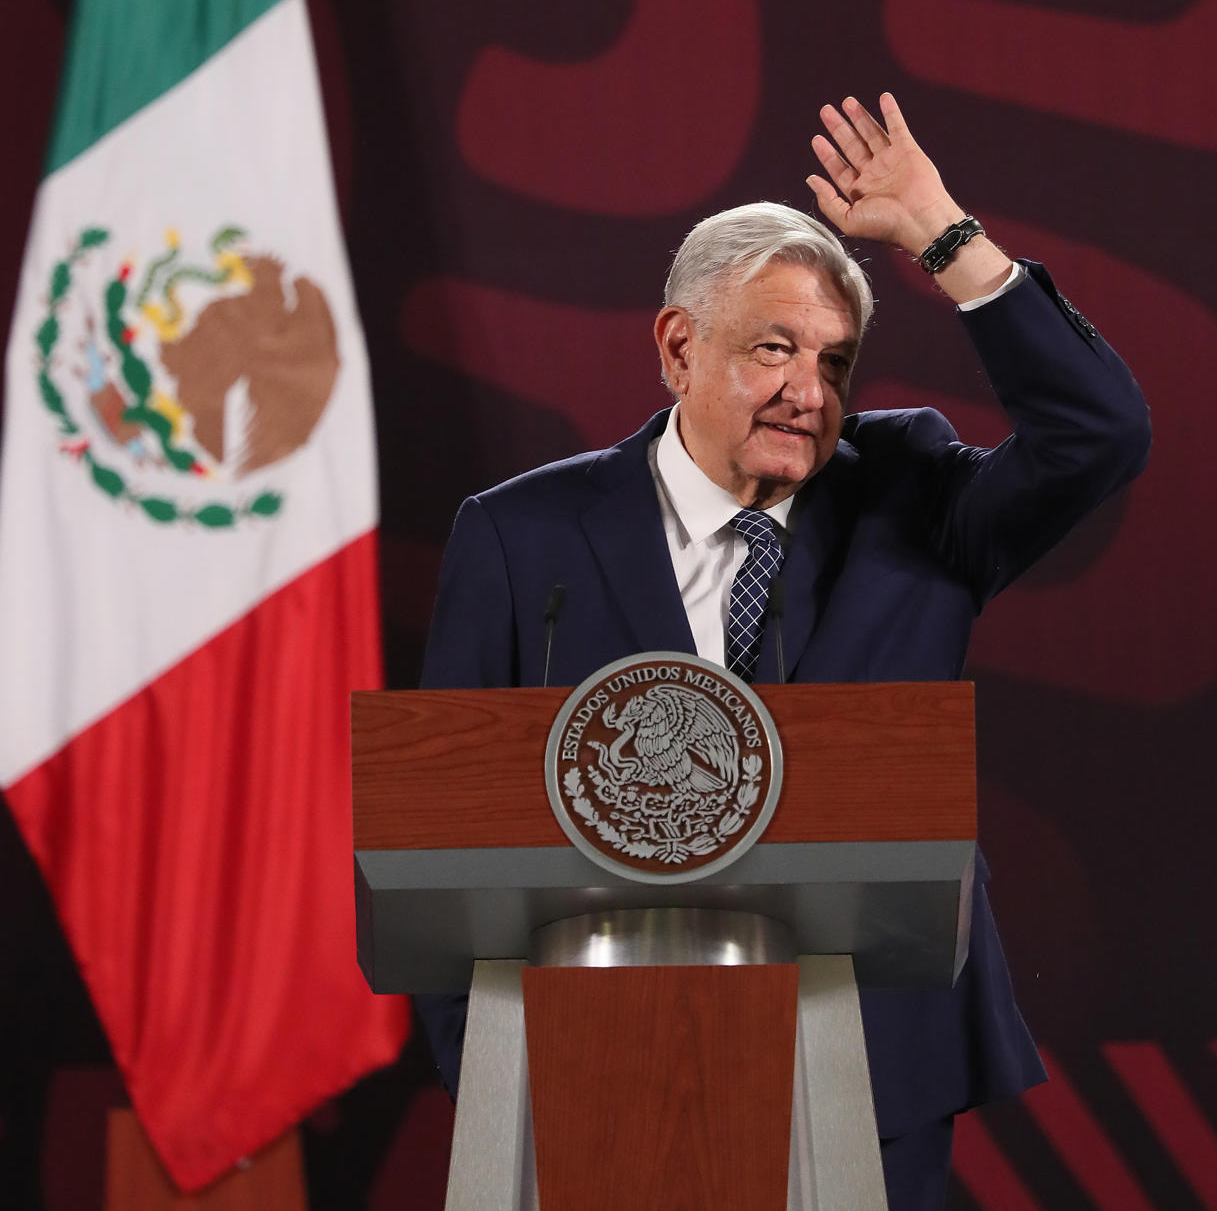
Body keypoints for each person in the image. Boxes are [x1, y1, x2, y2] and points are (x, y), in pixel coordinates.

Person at [417, 92, 1151, 1209]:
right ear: (677, 346)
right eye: (773, 349)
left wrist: (943, 237)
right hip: (602, 1075)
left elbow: (1100, 433)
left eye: (834, 360)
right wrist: (506, 1085)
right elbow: (439, 851)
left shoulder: (915, 497)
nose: (809, 393)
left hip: (868, 1075)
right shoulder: (523, 537)